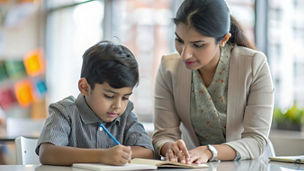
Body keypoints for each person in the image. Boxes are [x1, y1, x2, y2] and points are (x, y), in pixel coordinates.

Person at [152, 0, 274, 164]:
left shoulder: (254, 64)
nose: (185, 54)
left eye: (198, 45)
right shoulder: (169, 68)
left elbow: (256, 140)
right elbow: (163, 134)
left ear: (223, 39)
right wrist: (170, 148)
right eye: (179, 40)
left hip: (248, 165)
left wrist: (210, 151)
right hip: (195, 165)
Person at [36, 41, 154, 166]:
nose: (118, 106)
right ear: (84, 87)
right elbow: (47, 153)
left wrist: (122, 155)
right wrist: (103, 156)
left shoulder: (126, 116)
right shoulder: (65, 112)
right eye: (109, 96)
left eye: (125, 97)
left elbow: (147, 152)